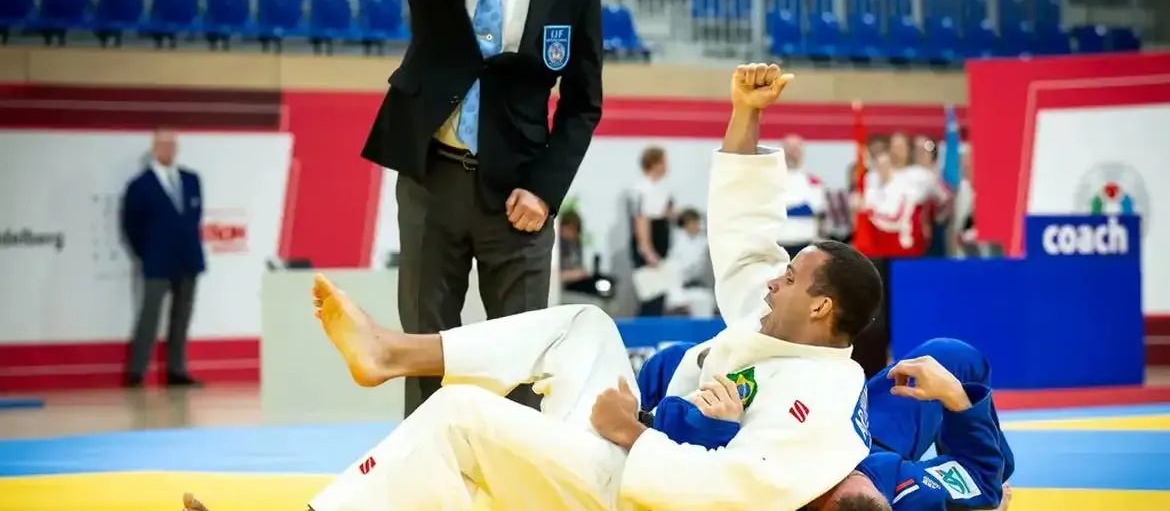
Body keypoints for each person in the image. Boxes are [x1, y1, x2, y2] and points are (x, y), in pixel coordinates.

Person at [182, 62, 885, 511]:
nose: (772, 284)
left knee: (459, 420)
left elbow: (735, 494)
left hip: (638, 485)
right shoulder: (786, 338)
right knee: (583, 327)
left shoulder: (823, 397)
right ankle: (395, 353)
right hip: (625, 453)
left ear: (821, 307)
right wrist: (745, 115)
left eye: (790, 279)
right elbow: (742, 239)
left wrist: (636, 436)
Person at [180, 0, 604, 414]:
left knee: (524, 356)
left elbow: (584, 104)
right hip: (432, 181)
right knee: (421, 347)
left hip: (520, 198)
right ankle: (426, 485)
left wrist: (544, 189)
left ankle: (514, 489)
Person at [637, 338, 1014, 511]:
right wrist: (955, 398)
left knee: (670, 362)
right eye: (861, 480)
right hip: (867, 436)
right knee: (954, 359)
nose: (848, 471)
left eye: (841, 480)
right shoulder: (907, 494)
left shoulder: (770, 493)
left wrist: (718, 431)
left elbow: (714, 487)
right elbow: (982, 478)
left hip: (776, 437)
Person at [121, 129, 204, 387]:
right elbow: (130, 225)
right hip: (157, 261)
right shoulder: (140, 185)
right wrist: (146, 252)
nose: (168, 150)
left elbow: (194, 217)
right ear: (154, 148)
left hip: (188, 259)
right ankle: (137, 372)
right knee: (150, 316)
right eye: (164, 145)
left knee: (182, 317)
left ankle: (176, 371)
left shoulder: (191, 180)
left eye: (172, 145)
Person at [628, 145, 674, 315]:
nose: (667, 167)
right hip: (649, 251)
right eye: (664, 162)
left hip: (661, 250)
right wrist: (647, 250)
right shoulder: (642, 189)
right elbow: (641, 219)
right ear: (655, 164)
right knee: (651, 297)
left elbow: (662, 214)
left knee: (661, 297)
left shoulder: (660, 188)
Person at [778, 134, 828, 257]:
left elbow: (812, 209)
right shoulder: (770, 180)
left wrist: (783, 208)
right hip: (777, 244)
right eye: (788, 148)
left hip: (804, 243)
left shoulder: (813, 181)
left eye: (795, 149)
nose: (791, 153)